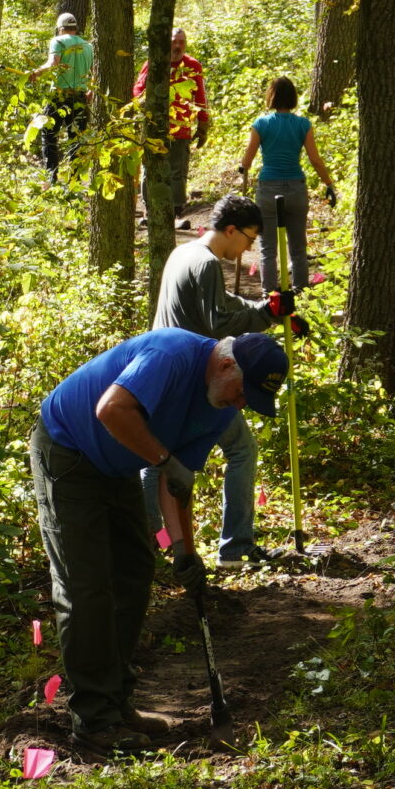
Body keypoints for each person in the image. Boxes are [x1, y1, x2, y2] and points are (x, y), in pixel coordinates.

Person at [29, 326, 290, 753]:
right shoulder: (170, 355)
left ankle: (117, 702)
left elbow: (176, 481)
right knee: (87, 586)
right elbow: (112, 410)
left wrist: (185, 550)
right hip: (67, 449)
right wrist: (164, 460)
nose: (242, 405)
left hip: (117, 465)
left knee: (134, 571)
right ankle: (94, 721)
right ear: (226, 365)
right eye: (243, 393)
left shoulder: (219, 405)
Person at [140, 195, 289, 564]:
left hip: (166, 373)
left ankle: (150, 548)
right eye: (249, 238)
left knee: (155, 461)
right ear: (231, 229)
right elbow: (217, 323)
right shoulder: (205, 263)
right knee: (240, 450)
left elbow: (221, 304)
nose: (249, 247)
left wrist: (263, 310)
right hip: (195, 379)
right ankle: (234, 548)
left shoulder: (184, 253)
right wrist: (266, 318)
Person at [234, 76, 335, 296]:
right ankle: (301, 291)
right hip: (296, 188)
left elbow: (247, 161)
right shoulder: (302, 124)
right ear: (293, 98)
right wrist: (329, 183)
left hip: (268, 188)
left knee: (267, 246)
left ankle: (269, 293)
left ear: (271, 96)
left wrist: (242, 167)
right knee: (298, 246)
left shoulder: (261, 124)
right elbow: (315, 159)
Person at [132, 26, 211, 210]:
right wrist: (142, 105)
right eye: (174, 41)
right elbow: (138, 89)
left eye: (181, 42)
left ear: (185, 44)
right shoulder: (154, 62)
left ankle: (176, 210)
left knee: (177, 171)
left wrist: (203, 125)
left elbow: (200, 96)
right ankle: (150, 209)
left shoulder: (193, 65)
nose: (177, 46)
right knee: (150, 169)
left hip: (181, 126)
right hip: (154, 126)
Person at [31, 12, 94, 182]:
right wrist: (91, 91)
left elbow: (53, 64)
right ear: (76, 29)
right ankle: (75, 181)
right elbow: (95, 73)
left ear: (60, 29)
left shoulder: (58, 41)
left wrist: (36, 73)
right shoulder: (88, 46)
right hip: (80, 97)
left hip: (59, 96)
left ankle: (51, 178)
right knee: (76, 139)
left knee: (49, 134)